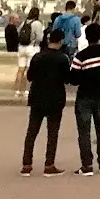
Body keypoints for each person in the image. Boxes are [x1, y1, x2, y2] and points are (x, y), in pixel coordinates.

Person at [67, 22, 100, 175]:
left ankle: (87, 165)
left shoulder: (81, 56)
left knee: (84, 132)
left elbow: (73, 79)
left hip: (84, 96)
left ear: (87, 37)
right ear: (99, 35)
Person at [21, 27, 70, 176]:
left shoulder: (38, 56)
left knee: (32, 132)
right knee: (52, 133)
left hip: (37, 97)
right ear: (61, 41)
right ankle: (49, 164)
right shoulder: (62, 58)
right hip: (55, 98)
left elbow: (29, 76)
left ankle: (27, 164)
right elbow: (67, 79)